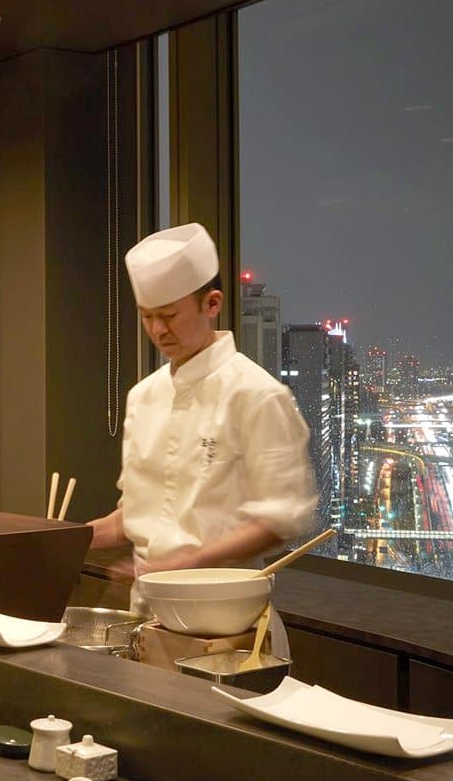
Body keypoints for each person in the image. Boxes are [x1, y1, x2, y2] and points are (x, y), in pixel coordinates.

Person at [88, 223, 317, 628]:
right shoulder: (143, 396)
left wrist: (185, 564)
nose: (158, 330)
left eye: (169, 315)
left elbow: (280, 519)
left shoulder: (257, 394)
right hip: (146, 612)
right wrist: (66, 539)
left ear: (211, 304)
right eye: (147, 317)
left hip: (228, 620)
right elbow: (138, 513)